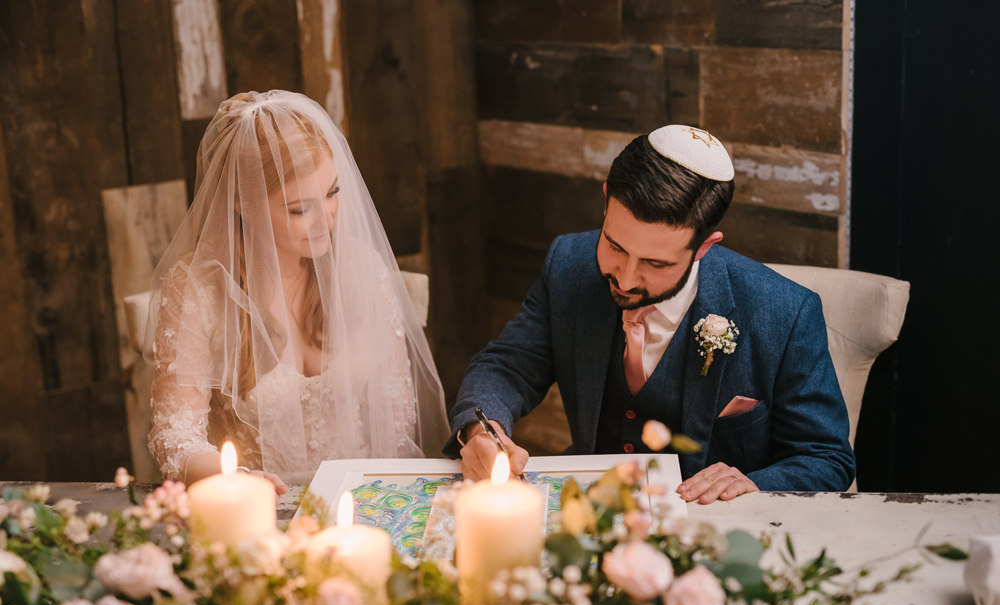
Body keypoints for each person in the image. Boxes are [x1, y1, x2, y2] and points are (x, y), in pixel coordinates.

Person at [445, 125, 855, 503]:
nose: (624, 278)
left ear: (705, 247)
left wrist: (755, 483)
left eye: (655, 264)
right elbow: (508, 365)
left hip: (713, 534)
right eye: (616, 246)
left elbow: (827, 458)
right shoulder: (568, 263)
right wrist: (482, 428)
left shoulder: (786, 311)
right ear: (606, 200)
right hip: (591, 512)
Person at [145, 91, 449, 495]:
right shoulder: (197, 290)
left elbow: (395, 417)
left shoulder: (362, 268)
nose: (327, 219)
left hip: (363, 496)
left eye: (333, 192)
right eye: (299, 208)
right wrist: (234, 479)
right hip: (259, 503)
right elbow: (175, 436)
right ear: (244, 205)